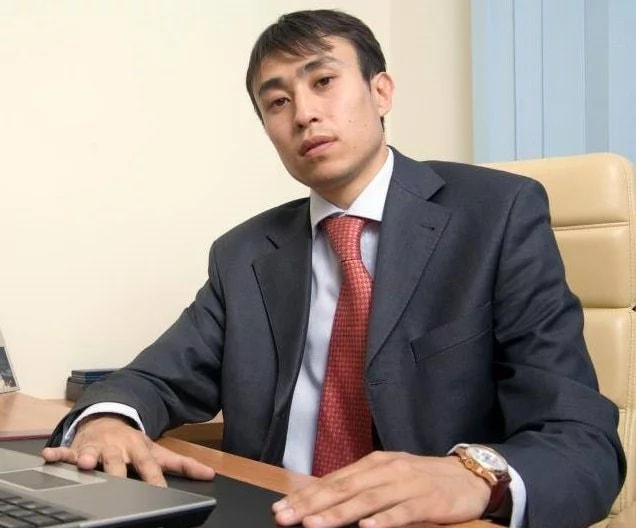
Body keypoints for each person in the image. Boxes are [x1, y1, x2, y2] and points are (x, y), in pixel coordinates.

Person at [43, 9, 625, 528]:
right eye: (277, 102)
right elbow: (151, 380)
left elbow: (582, 443)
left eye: (323, 81)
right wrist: (105, 422)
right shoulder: (244, 254)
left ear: (381, 91)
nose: (304, 114)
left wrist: (472, 476)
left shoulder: (496, 215)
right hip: (272, 511)